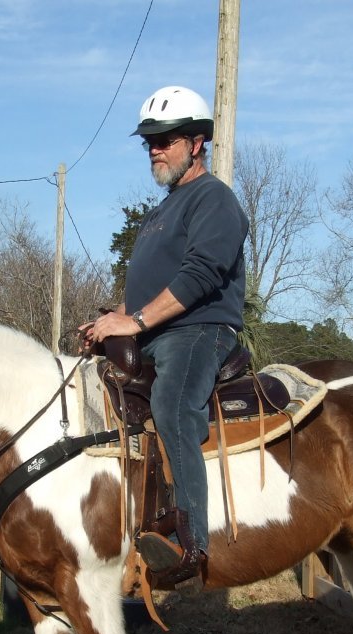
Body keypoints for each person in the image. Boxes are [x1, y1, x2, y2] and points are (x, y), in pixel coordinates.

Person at [81, 85, 249, 587]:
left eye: (166, 140)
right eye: (149, 141)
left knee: (172, 406)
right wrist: (112, 318)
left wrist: (134, 323)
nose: (154, 149)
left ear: (197, 143)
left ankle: (188, 543)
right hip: (157, 328)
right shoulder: (162, 211)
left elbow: (200, 276)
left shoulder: (215, 199)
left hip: (199, 330)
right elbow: (150, 289)